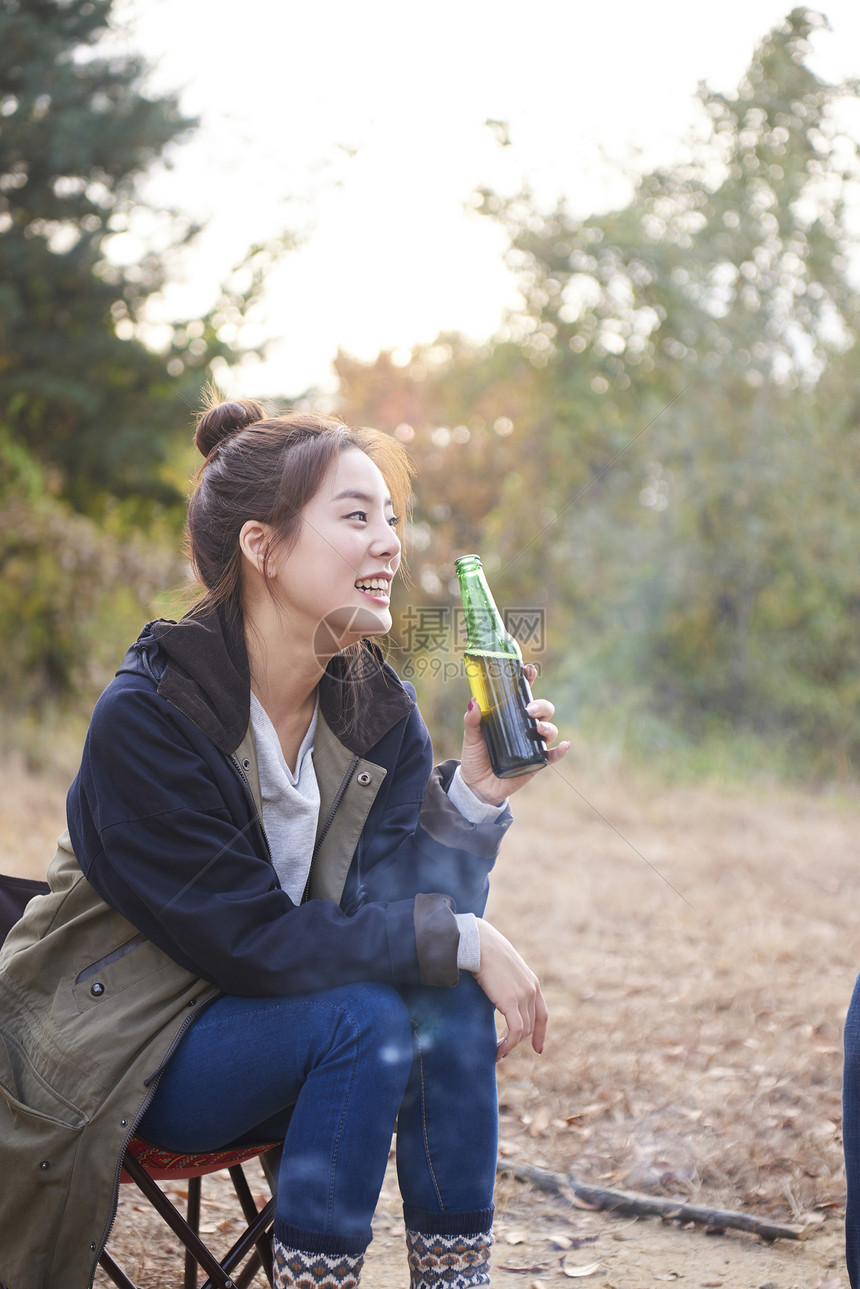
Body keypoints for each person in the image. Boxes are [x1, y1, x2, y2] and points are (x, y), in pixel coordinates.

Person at [0, 399, 570, 1289]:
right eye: (356, 516)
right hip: (127, 1043)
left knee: (444, 996)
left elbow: (394, 914)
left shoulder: (376, 711)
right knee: (370, 1011)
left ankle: (455, 1280)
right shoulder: (150, 716)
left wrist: (473, 800)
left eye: (390, 518)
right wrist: (460, 935)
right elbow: (253, 940)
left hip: (278, 1025)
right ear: (262, 548)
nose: (389, 543)